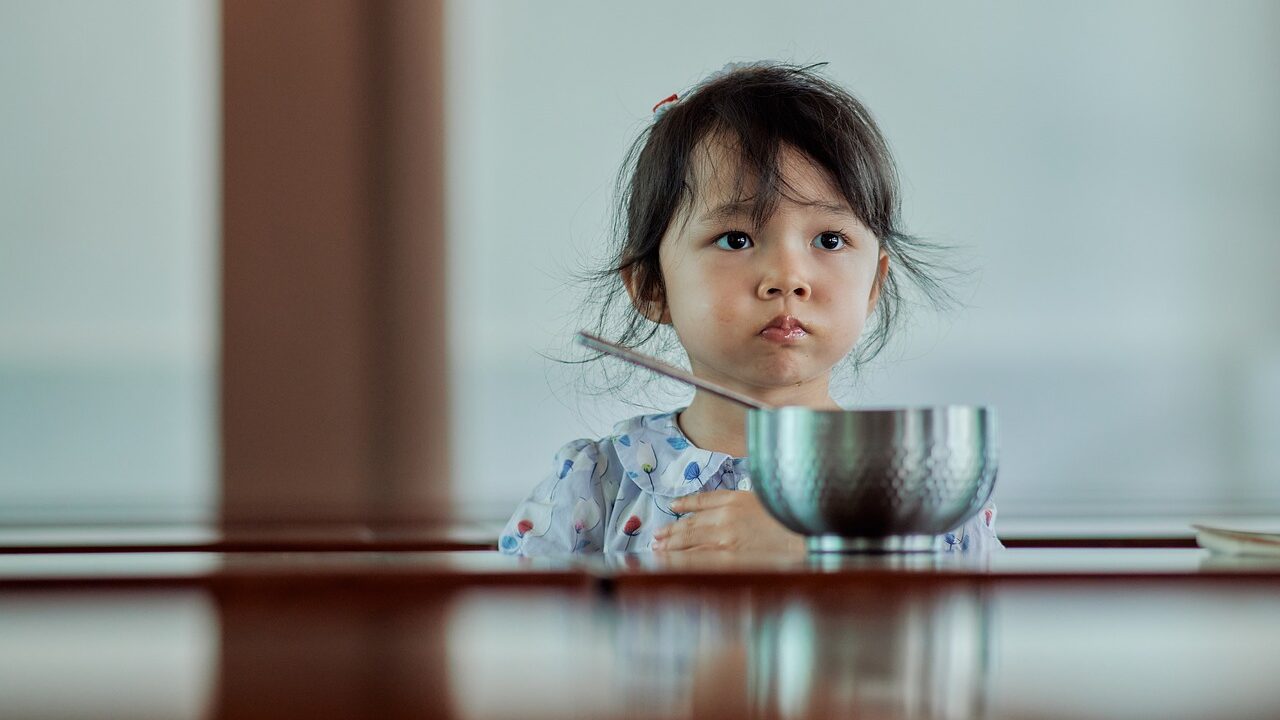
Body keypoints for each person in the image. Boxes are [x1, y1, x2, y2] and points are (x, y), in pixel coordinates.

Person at [499, 61, 1000, 556]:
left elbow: (977, 626)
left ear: (874, 285)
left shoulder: (924, 494)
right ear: (652, 286)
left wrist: (819, 549)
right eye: (735, 239)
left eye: (829, 239)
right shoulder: (592, 491)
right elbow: (510, 631)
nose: (787, 277)